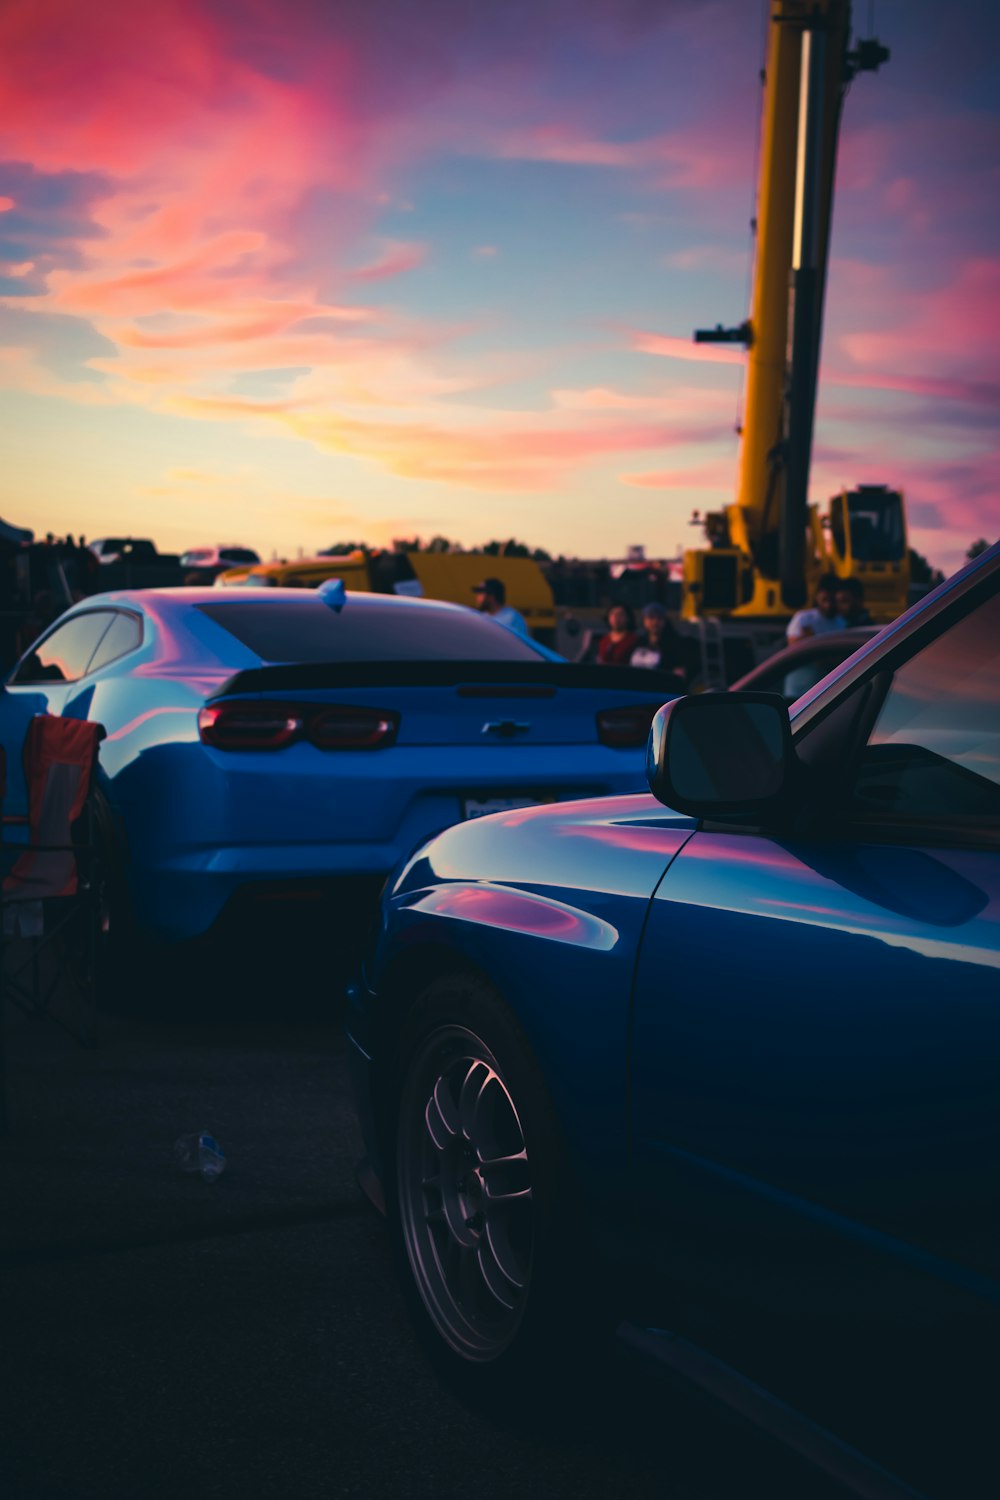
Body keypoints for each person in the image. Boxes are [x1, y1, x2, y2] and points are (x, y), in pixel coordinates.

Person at [630, 602, 686, 684]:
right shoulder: (639, 641)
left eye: (659, 618)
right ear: (644, 620)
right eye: (651, 618)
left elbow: (678, 671)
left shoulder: (674, 644)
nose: (655, 622)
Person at [785, 574, 845, 643]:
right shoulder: (803, 618)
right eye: (824, 600)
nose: (828, 605)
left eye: (832, 601)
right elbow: (792, 646)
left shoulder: (842, 622)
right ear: (817, 597)